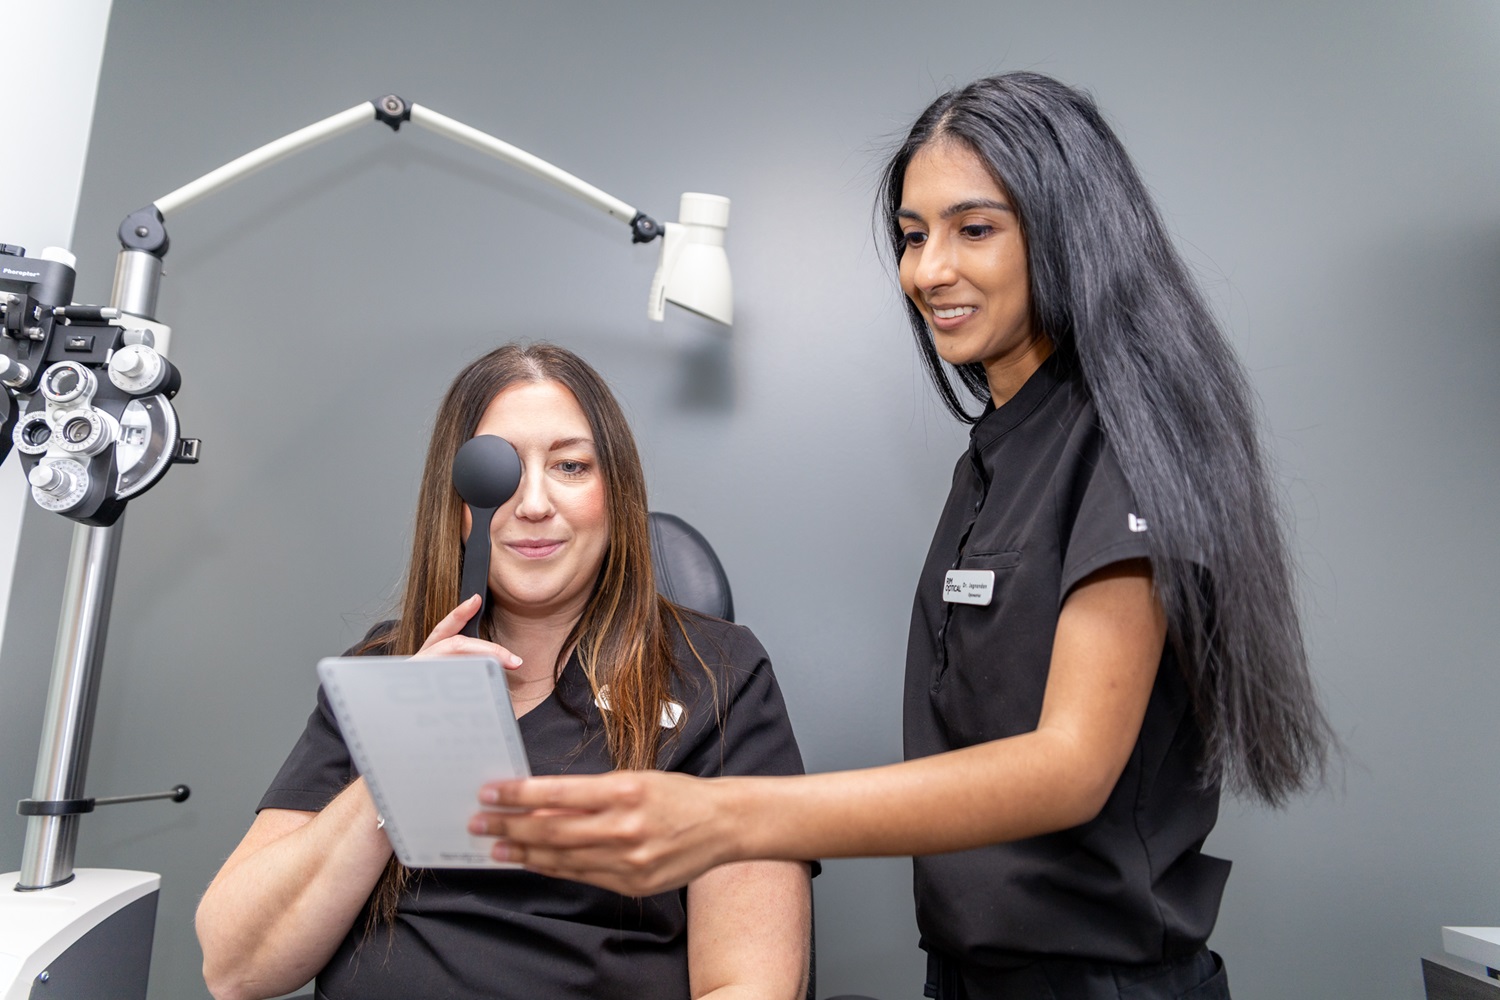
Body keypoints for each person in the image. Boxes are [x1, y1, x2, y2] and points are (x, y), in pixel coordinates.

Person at [470, 74, 1335, 1000]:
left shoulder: (1122, 442)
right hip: (967, 975)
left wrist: (726, 816)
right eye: (914, 236)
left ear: (1069, 228)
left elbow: (1071, 767)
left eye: (974, 229)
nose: (927, 272)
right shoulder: (994, 458)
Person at [195, 343, 811, 1000]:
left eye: (571, 466)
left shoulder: (717, 677)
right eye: (502, 471)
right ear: (458, 502)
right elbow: (236, 966)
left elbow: (751, 983)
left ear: (617, 492)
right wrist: (401, 751)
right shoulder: (384, 672)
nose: (535, 503)